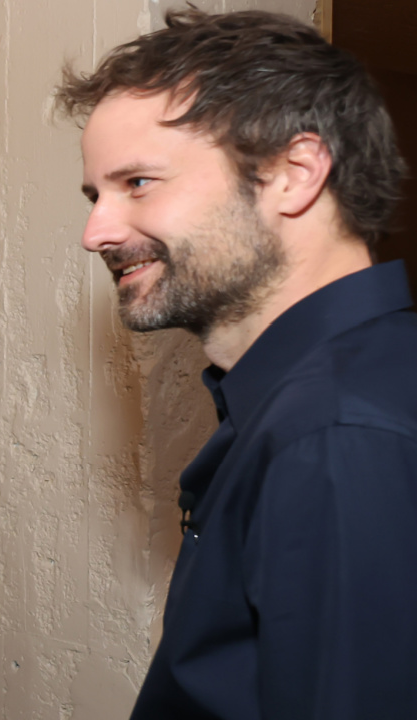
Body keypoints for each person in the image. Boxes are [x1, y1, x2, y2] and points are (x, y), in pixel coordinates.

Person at [57, 9, 417, 719]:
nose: (95, 231)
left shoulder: (337, 435)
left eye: (137, 184)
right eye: (96, 195)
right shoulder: (318, 397)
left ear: (293, 174)